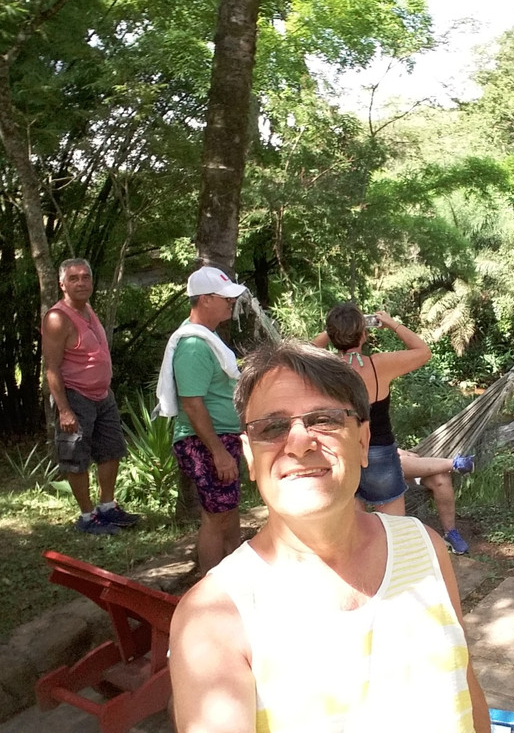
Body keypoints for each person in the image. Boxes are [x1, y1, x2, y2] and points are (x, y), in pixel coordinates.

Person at [169, 341, 490, 733]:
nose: (300, 442)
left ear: (363, 442)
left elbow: (466, 688)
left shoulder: (424, 548)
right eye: (272, 427)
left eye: (324, 420)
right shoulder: (214, 618)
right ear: (250, 457)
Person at [155, 266, 248, 575]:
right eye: (225, 298)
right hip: (207, 442)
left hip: (219, 438)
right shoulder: (194, 346)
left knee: (228, 511)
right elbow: (193, 405)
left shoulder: (206, 337)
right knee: (216, 516)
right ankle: (210, 585)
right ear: (206, 299)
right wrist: (218, 453)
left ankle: (236, 576)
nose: (231, 303)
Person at [41, 258, 139, 535]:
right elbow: (51, 368)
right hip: (75, 396)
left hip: (102, 395)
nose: (81, 283)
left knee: (111, 450)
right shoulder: (57, 318)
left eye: (86, 277)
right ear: (62, 284)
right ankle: (87, 516)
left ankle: (107, 507)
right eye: (74, 278)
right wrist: (64, 410)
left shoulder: (86, 308)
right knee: (76, 456)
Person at [313, 305, 430, 519]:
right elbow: (423, 352)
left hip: (342, 453)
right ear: (364, 334)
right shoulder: (379, 365)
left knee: (354, 527)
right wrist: (392, 324)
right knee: (395, 525)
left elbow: (300, 353)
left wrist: (334, 332)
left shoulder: (325, 368)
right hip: (379, 453)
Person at [399, 448, 474, 555]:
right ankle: (454, 463)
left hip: (413, 472)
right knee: (396, 462)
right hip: (388, 474)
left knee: (442, 478)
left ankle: (450, 533)